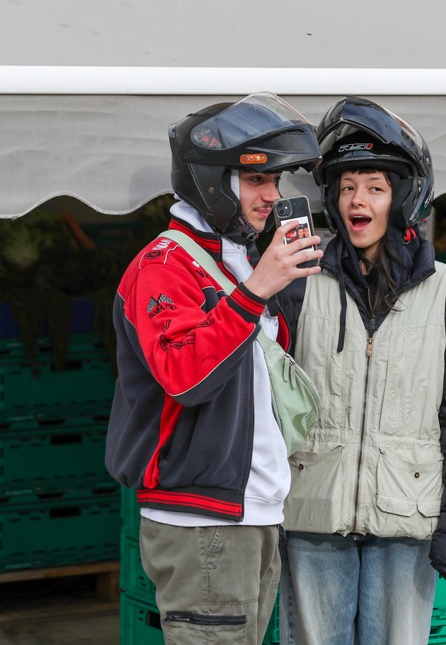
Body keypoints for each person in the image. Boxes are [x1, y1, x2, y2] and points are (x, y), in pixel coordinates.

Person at [274, 96, 446, 644]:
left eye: (374, 187)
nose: (358, 200)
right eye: (347, 187)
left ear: (401, 197)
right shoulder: (299, 284)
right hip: (313, 517)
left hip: (407, 520)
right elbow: (270, 403)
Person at [105, 92, 323, 645]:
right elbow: (186, 376)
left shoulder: (244, 258)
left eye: (275, 183)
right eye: (256, 182)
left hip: (255, 509)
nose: (271, 197)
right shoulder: (163, 266)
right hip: (202, 521)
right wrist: (255, 291)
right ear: (211, 181)